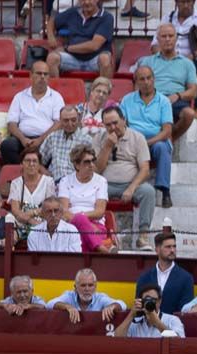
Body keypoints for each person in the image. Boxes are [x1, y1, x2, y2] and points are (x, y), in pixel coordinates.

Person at [94, 106, 155, 248]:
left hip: (130, 183)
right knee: (89, 193)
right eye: (108, 125)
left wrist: (131, 188)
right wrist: (107, 146)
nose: (112, 127)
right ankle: (98, 236)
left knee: (148, 192)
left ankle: (143, 236)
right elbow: (97, 169)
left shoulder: (137, 137)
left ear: (124, 120)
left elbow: (145, 169)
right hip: (105, 184)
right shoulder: (99, 138)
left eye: (115, 123)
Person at [120, 66, 175, 209]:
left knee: (162, 147)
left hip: (155, 141)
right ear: (136, 82)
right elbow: (122, 125)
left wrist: (147, 142)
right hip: (133, 143)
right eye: (142, 79)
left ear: (154, 79)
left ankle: (165, 191)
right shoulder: (127, 100)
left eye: (149, 78)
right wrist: (136, 142)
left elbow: (167, 131)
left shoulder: (163, 101)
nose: (146, 82)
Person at [139, 23, 197, 141]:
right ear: (158, 39)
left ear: (176, 39)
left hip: (176, 100)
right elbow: (138, 88)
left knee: (189, 114)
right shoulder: (147, 62)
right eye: (163, 36)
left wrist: (178, 95)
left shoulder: (187, 63)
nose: (167, 39)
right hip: (153, 98)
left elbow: (193, 92)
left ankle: (169, 139)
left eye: (170, 36)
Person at [0, 61, 64, 166]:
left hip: (46, 140)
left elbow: (59, 123)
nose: (42, 77)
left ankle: (38, 173)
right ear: (31, 75)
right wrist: (23, 139)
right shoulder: (19, 97)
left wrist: (40, 139)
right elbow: (12, 124)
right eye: (39, 73)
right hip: (23, 139)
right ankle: (22, 171)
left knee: (57, 149)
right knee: (7, 145)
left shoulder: (56, 97)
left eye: (45, 74)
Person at [57, 142, 114, 253]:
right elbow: (64, 212)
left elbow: (100, 212)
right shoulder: (65, 181)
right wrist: (80, 220)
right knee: (78, 230)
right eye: (87, 162)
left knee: (81, 236)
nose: (92, 165)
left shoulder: (101, 181)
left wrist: (82, 219)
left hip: (96, 226)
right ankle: (101, 247)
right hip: (71, 226)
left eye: (93, 161)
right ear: (77, 165)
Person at [45, 0, 115, 80]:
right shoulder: (73, 13)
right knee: (51, 58)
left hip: (95, 59)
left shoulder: (106, 17)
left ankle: (104, 89)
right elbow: (52, 21)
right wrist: (51, 36)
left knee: (105, 59)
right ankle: (56, 90)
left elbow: (94, 46)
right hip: (73, 58)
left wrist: (67, 48)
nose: (86, 2)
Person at [136, 232, 194, 314]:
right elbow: (138, 308)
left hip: (173, 325)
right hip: (147, 324)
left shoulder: (186, 278)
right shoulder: (144, 278)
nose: (172, 250)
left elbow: (185, 310)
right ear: (157, 250)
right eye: (168, 247)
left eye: (174, 246)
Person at [7, 152, 57, 244]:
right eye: (27, 161)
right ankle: (8, 249)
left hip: (43, 220)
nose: (31, 164)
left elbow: (50, 207)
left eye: (35, 161)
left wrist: (31, 213)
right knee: (9, 218)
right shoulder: (16, 183)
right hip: (21, 222)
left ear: (39, 165)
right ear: (21, 164)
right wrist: (31, 220)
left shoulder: (48, 182)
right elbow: (15, 210)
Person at [47, 268, 125, 322]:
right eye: (83, 285)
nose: (87, 289)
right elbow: (49, 304)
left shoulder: (100, 298)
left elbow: (123, 305)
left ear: (95, 287)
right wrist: (67, 307)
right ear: (75, 287)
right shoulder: (69, 296)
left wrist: (112, 306)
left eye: (90, 285)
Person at [39, 106, 89, 184]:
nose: (70, 124)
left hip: (77, 183)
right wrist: (47, 175)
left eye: (73, 120)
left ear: (78, 119)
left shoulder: (86, 139)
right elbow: (39, 161)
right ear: (60, 121)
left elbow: (91, 166)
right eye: (66, 121)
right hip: (54, 182)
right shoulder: (53, 137)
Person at [114, 284, 186, 338]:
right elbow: (117, 339)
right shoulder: (135, 322)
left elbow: (179, 342)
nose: (150, 303)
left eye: (153, 300)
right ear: (141, 301)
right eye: (146, 300)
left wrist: (157, 323)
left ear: (159, 301)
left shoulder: (172, 320)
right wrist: (131, 315)